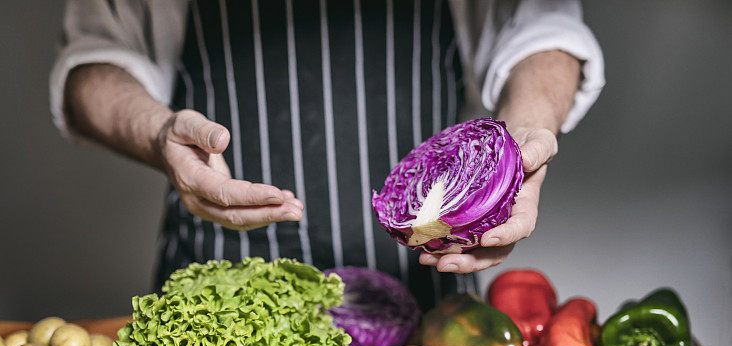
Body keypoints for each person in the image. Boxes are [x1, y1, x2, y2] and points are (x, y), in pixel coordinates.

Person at [51, 0, 603, 309]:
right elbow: (96, 62)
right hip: (219, 298)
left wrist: (519, 140)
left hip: (424, 301)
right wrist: (159, 132)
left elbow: (540, 25)